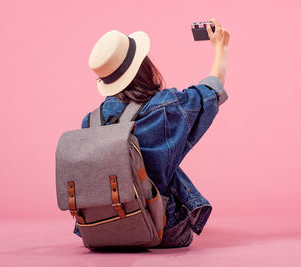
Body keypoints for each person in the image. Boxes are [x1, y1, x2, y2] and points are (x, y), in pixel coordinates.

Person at [74, 18, 230, 248]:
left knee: (144, 157)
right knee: (161, 158)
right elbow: (210, 92)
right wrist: (221, 48)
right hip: (161, 229)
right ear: (142, 65)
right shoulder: (165, 106)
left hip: (100, 230)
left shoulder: (90, 121)